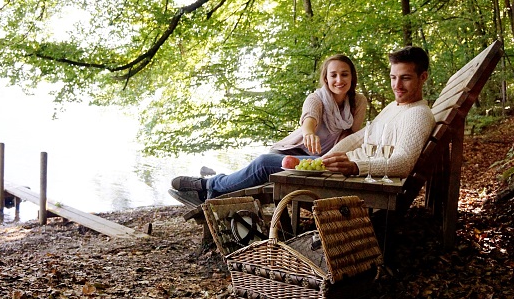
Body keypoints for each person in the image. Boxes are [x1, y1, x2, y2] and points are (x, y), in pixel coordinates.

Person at [169, 54, 367, 207]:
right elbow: (309, 119)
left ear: (352, 77)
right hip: (294, 154)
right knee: (263, 165)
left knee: (263, 164)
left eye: (344, 74)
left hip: (321, 162)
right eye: (333, 75)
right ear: (326, 78)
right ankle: (211, 187)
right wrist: (309, 133)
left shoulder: (357, 102)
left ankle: (209, 187)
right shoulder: (316, 98)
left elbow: (351, 138)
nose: (339, 80)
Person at [322, 46, 435, 178]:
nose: (397, 85)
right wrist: (323, 160)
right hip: (339, 171)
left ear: (423, 77)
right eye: (393, 77)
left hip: (356, 180)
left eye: (405, 78)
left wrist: (355, 167)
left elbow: (403, 163)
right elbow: (358, 138)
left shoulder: (418, 114)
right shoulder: (393, 107)